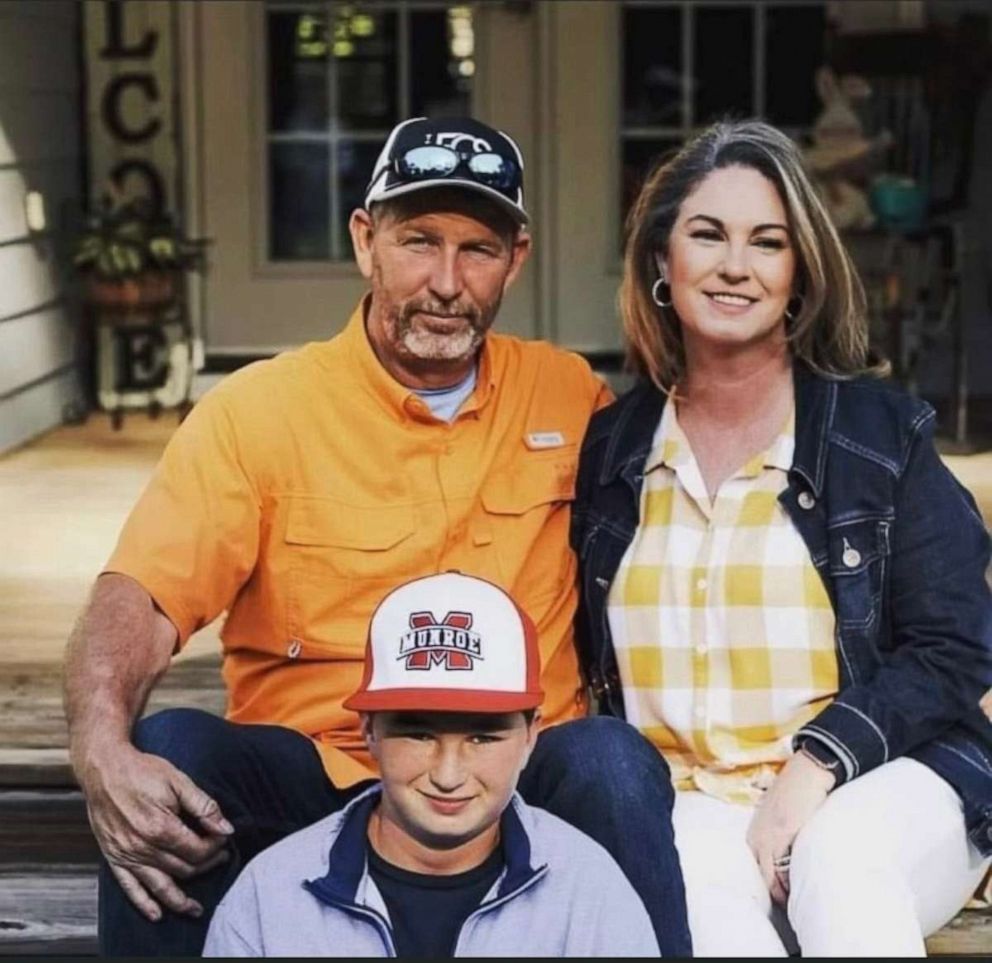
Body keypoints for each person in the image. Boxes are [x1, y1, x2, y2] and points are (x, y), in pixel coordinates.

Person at [64, 116, 691, 956]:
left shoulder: (569, 396)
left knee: (613, 762)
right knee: (171, 751)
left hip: (513, 773)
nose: (445, 281)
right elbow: (139, 593)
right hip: (323, 772)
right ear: (366, 241)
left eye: (477, 249)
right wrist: (99, 743)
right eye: (418, 241)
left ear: (517, 258)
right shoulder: (260, 413)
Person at [572, 118, 992, 956]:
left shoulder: (879, 438)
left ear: (799, 275)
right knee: (709, 917)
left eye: (768, 242)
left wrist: (818, 763)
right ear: (662, 261)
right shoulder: (610, 451)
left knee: (841, 859)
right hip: (688, 798)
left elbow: (957, 645)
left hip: (881, 781)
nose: (735, 265)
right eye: (707, 235)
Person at [202, 571, 661, 957]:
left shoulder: (588, 888)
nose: (447, 775)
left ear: (530, 737)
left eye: (483, 737)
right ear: (368, 730)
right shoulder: (271, 894)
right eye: (419, 735)